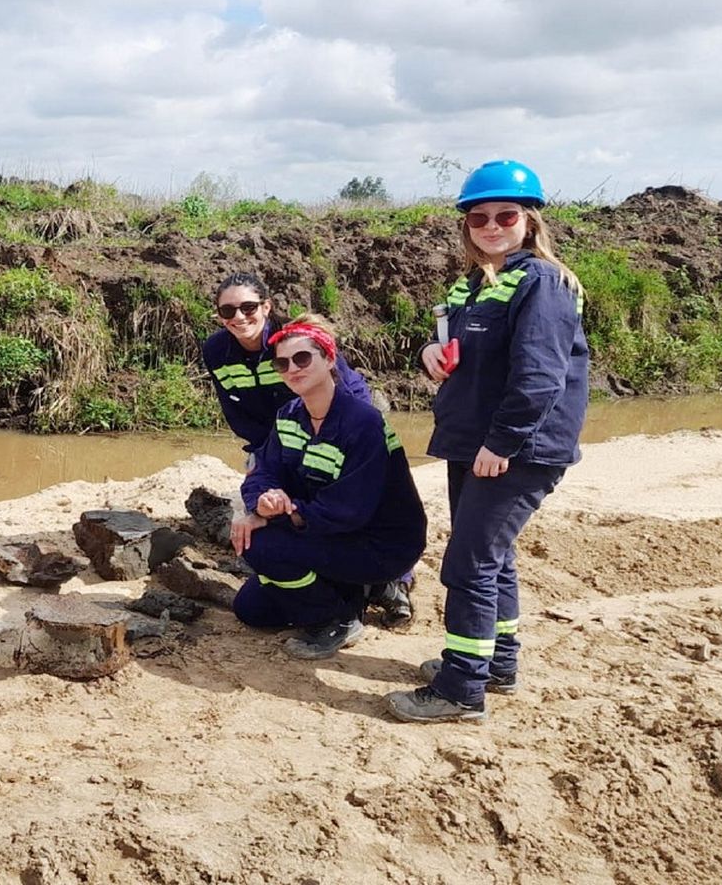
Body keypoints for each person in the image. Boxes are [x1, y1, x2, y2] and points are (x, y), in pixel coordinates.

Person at [385, 160, 588, 723]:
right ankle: (496, 663)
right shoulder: (476, 282)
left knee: (469, 564)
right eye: (480, 217)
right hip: (472, 441)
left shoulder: (542, 283)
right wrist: (430, 351)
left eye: (505, 215)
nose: (492, 225)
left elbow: (540, 377)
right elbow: (457, 344)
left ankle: (460, 690)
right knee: (492, 560)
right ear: (466, 225)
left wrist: (503, 444)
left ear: (530, 221)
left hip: (512, 449)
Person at [202, 273, 414, 626]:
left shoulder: (294, 342)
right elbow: (234, 405)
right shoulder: (216, 351)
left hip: (331, 427)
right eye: (228, 310)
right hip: (284, 433)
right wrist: (268, 462)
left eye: (249, 307)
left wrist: (347, 434)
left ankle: (392, 581)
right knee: (256, 600)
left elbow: (345, 392)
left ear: (266, 307)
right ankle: (336, 581)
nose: (239, 317)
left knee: (353, 506)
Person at [228, 316, 427, 659]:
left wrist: (275, 517)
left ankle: (335, 620)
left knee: (260, 546)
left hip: (380, 544)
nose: (292, 368)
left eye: (302, 358)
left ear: (330, 359)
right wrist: (261, 502)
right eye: (282, 363)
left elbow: (348, 509)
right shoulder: (289, 415)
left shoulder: (362, 422)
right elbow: (264, 471)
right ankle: (354, 593)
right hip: (332, 533)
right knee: (251, 610)